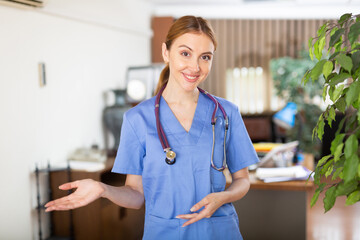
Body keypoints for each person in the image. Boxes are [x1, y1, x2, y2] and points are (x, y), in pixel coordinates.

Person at [45, 15, 259, 239]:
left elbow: (242, 180)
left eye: (205, 57)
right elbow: (136, 195)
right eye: (185, 53)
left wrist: (222, 197)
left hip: (219, 232)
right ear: (166, 52)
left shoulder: (226, 113)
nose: (195, 67)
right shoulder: (137, 119)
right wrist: (103, 190)